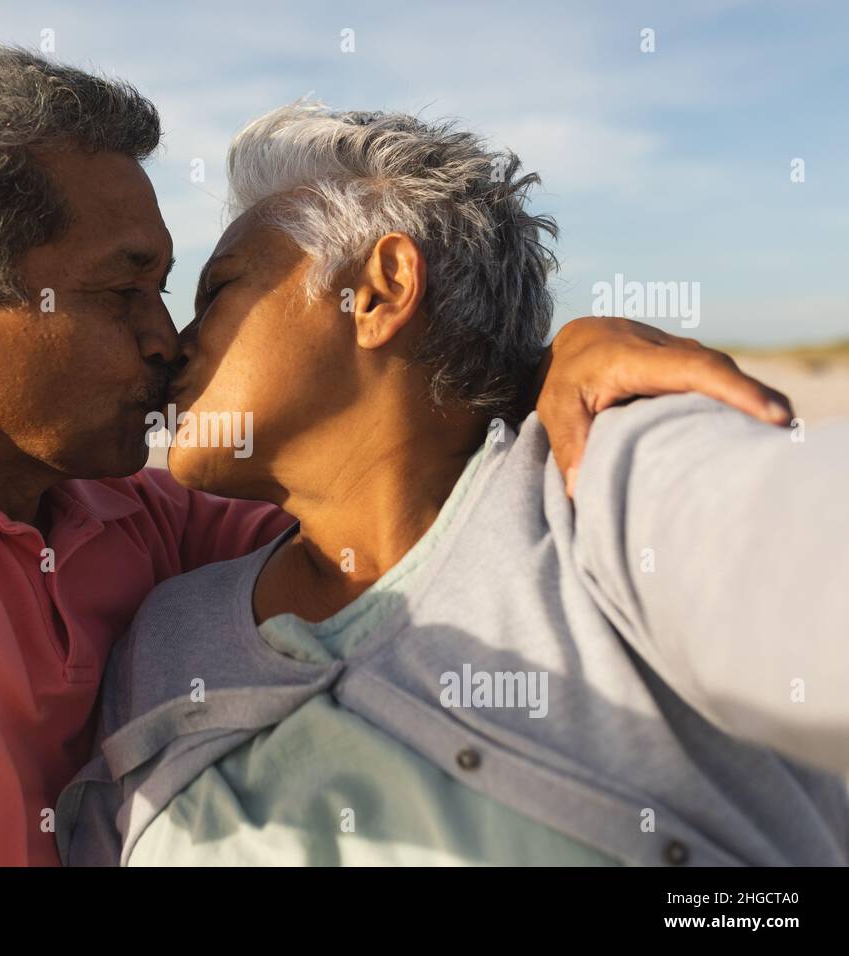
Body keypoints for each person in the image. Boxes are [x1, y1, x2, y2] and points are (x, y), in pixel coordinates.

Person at [0, 45, 792, 866]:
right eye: (123, 289)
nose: (165, 339)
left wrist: (541, 357)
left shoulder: (134, 519)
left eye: (185, 286)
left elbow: (399, 479)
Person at [55, 103, 849, 866]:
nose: (168, 344)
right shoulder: (163, 633)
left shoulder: (600, 489)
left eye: (214, 291)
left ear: (378, 290)